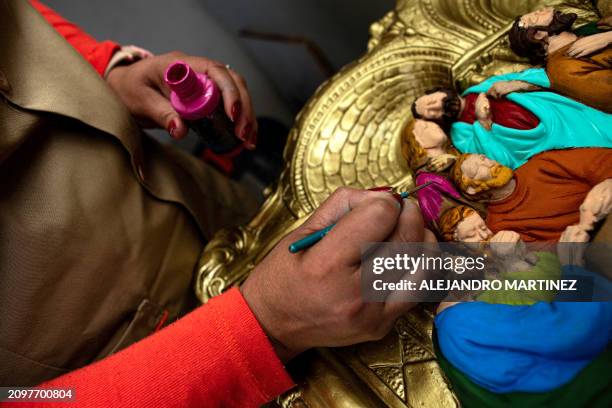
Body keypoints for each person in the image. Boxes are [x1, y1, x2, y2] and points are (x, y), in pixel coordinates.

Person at [0, 1, 426, 406]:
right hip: (156, 369)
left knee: (470, 264)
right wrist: (256, 331)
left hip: (202, 208)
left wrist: (103, 70)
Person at [410, 70, 612, 169]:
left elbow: (539, 74)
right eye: (432, 113)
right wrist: (483, 123)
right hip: (543, 146)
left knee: (602, 126)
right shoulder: (461, 135)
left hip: (557, 113)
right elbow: (499, 162)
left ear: (439, 90)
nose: (437, 106)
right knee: (598, 156)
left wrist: (515, 84)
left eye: (432, 101)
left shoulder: (482, 85)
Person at [449, 150, 612, 242]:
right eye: (478, 168)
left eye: (484, 158)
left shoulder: (540, 164)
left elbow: (601, 160)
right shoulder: (500, 226)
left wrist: (608, 181)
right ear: (472, 189)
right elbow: (547, 257)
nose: (490, 163)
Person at [503, 7, 612, 113]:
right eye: (538, 14)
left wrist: (607, 37)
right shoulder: (564, 67)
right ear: (537, 35)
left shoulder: (595, 28)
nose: (549, 8)